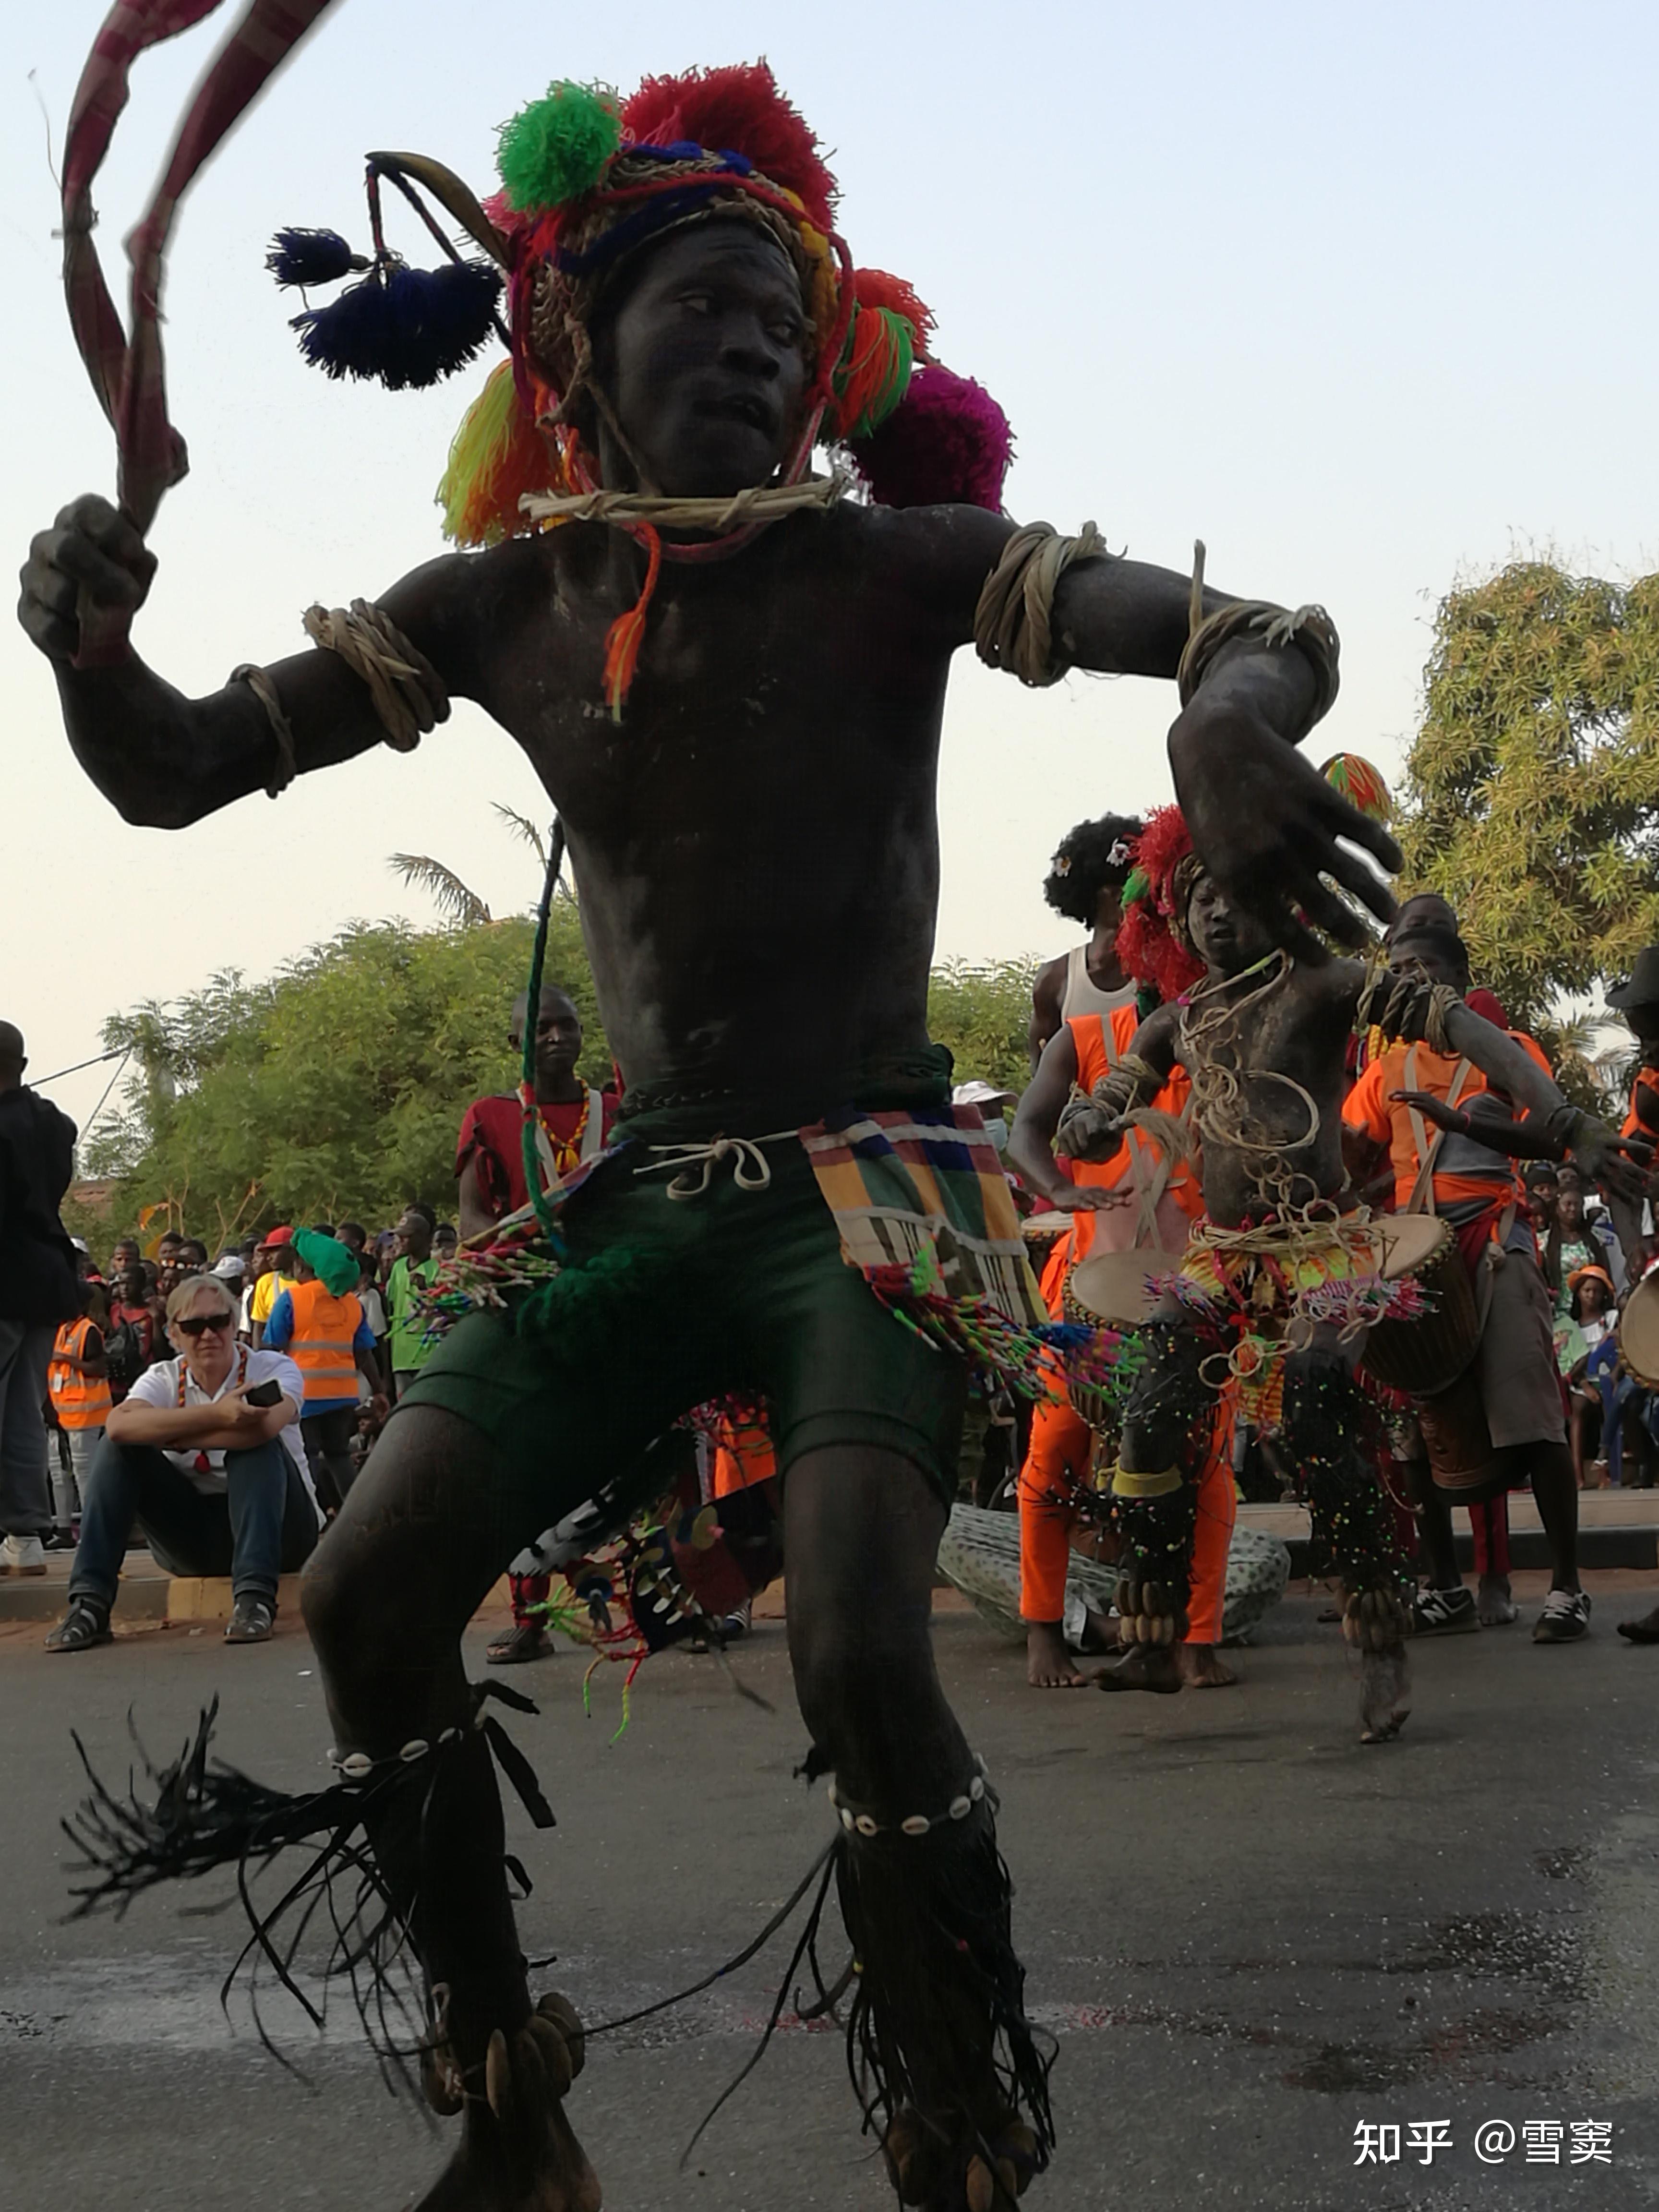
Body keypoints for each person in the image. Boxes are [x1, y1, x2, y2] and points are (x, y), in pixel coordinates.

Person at [22, 56, 1408, 2210]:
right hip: (640, 1193)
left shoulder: (903, 562)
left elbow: (1242, 629)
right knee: (368, 1597)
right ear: (574, 345)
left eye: (783, 323)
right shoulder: (505, 601)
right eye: (702, 313)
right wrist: (89, 642)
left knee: (861, 1644)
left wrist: (1224, 721)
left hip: (872, 1186)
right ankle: (510, 2110)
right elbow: (177, 771)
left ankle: (951, 2111)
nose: (752, 354)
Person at [1063, 813, 1642, 1728]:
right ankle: (1154, 1632)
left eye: (1238, 895)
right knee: (1145, 1409)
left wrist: (1568, 1120)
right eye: (1200, 897)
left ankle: (1378, 1635)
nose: (1218, 913)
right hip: (1224, 1255)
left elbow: (1468, 1033)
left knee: (1317, 1384)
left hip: (1327, 1242)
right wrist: (1086, 1120)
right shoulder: (1180, 1018)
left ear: (1281, 905)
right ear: (1177, 915)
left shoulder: (1326, 984)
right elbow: (1110, 1092)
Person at [1342, 898, 1620, 1645]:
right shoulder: (1383, 1067)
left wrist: (1463, 1121)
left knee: (1529, 1414)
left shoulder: (1507, 1046)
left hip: (1494, 1243)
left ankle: (1567, 1587)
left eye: (1423, 969)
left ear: (1459, 979)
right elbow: (1353, 1154)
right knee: (1411, 1429)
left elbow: (1544, 1136)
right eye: (1396, 970)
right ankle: (1445, 1587)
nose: (1407, 982)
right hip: (1412, 1255)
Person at [1008, 856, 1208, 1690]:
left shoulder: (1217, 1041)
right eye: (1149, 946)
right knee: (1053, 1453)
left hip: (1193, 1283)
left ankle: (1195, 1639)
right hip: (1089, 1283)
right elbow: (1026, 1129)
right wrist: (1058, 1185)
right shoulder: (1083, 1039)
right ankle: (1042, 1629)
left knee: (1207, 1465)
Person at [458, 983, 622, 1662]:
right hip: (532, 1307)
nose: (557, 1038)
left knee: (641, 1457)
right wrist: (520, 1274)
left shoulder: (614, 1111)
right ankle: (532, 1617)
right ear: (517, 1045)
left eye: (569, 1026)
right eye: (542, 1029)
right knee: (519, 1460)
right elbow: (473, 1219)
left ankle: (666, 1603)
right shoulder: (492, 1117)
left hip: (615, 1303)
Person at [44, 1272, 321, 1650]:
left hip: (282, 1531)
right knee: (119, 1448)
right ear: (174, 1335)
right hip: (194, 1539)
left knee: (253, 1444)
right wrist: (218, 1417)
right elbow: (119, 1427)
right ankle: (89, 1605)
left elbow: (264, 1428)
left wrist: (166, 1434)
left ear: (233, 1321)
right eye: (193, 1326)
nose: (208, 1335)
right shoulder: (162, 1378)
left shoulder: (272, 1368)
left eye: (218, 1322)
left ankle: (255, 1600)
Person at [0, 1022, 80, 1575]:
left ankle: (22, 1536)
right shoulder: (52, 1121)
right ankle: (25, 1537)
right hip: (46, 1275)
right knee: (24, 1411)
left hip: (4, 1276)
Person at [262, 1229, 388, 1514]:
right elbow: (365, 1354)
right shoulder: (352, 1303)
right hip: (343, 1396)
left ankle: (308, 1519)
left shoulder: (292, 1300)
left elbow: (270, 1349)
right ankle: (358, 1517)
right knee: (339, 1456)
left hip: (303, 1396)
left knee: (304, 1457)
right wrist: (379, 1392)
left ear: (303, 1266)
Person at [1027, 814, 1144, 1070]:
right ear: (1091, 895)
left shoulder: (1160, 976)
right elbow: (1040, 1072)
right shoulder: (1056, 980)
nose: (1125, 897)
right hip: (1079, 1108)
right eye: (1115, 890)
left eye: (1133, 887)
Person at [47, 1277, 111, 1544]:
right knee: (58, 1471)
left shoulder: (89, 1331)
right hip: (60, 1411)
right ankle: (63, 1529)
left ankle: (91, 1528)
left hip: (86, 1412)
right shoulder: (60, 1329)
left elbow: (99, 1368)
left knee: (85, 1471)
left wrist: (67, 1359)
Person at [384, 1203, 443, 1402]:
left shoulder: (438, 1269)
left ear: (425, 1238)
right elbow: (391, 1307)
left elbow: (448, 1309)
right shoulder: (398, 1267)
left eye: (407, 1235)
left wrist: (427, 1289)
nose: (400, 1240)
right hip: (400, 1358)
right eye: (399, 1235)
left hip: (429, 1356)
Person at [247, 1226, 298, 1348]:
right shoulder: (265, 1282)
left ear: (291, 1250)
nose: (269, 1257)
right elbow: (259, 1328)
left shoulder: (311, 1283)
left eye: (274, 1251)